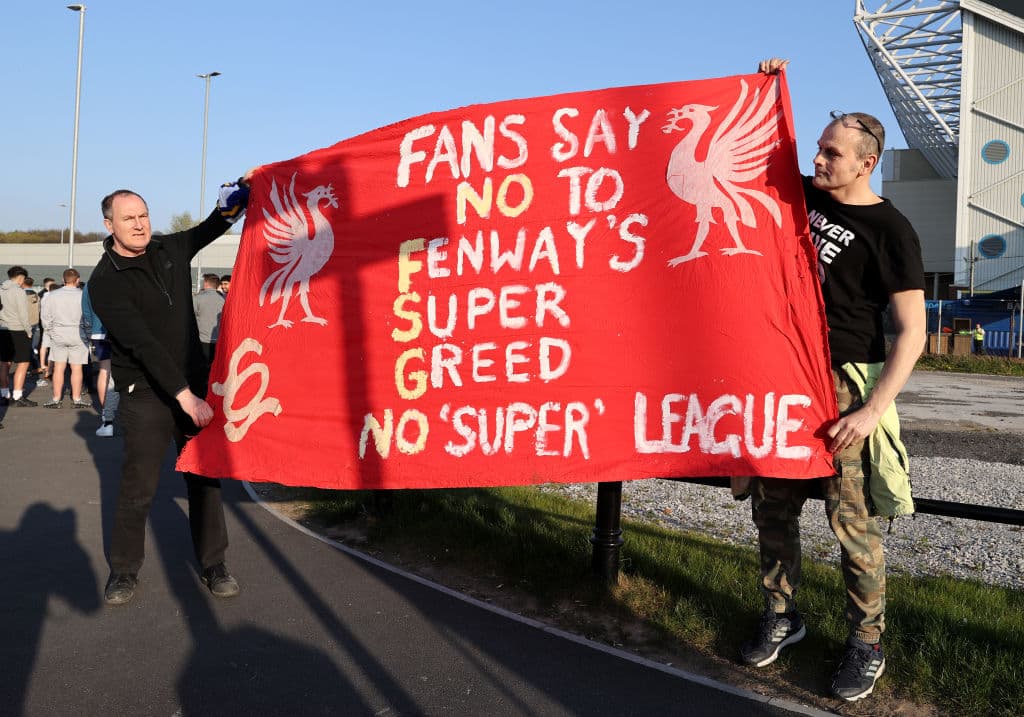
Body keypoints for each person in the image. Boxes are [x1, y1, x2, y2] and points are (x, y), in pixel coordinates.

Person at [739, 59, 926, 703]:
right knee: (774, 509)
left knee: (853, 524)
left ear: (866, 163)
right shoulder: (805, 196)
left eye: (831, 153)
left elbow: (913, 331)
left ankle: (866, 643)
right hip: (784, 376)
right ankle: (781, 615)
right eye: (818, 149)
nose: (817, 160)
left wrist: (872, 410)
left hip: (844, 387)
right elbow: (753, 157)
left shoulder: (891, 231)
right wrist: (763, 88)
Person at [88, 177, 251, 605]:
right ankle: (124, 570)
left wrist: (239, 197)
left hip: (191, 383)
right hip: (146, 392)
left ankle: (214, 564)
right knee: (138, 486)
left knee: (204, 478)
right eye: (128, 218)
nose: (139, 224)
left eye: (143, 215)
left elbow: (212, 226)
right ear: (109, 225)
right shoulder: (105, 281)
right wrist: (184, 397)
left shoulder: (168, 249)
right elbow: (143, 344)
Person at [40, 268, 91, 409]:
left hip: (58, 333)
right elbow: (88, 317)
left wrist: (50, 332)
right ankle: (77, 399)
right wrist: (87, 334)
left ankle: (56, 399)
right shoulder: (83, 295)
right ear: (78, 280)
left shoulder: (52, 295)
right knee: (77, 368)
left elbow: (45, 317)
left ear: (63, 280)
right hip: (78, 333)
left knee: (59, 367)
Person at [81, 283, 119, 437]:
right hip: (123, 332)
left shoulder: (90, 284)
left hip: (99, 332)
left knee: (105, 371)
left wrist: (93, 328)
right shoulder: (125, 279)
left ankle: (106, 415)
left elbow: (86, 312)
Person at [0, 266, 38, 407]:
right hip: (18, 329)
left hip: (3, 329)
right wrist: (28, 331)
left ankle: (4, 395)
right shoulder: (18, 291)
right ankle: (17, 396)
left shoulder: (1, 289)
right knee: (23, 362)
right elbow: (23, 314)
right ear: (21, 277)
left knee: (4, 363)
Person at [193, 273, 225, 364]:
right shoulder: (225, 299)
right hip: (220, 340)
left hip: (202, 339)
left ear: (206, 283)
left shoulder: (197, 298)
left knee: (202, 365)